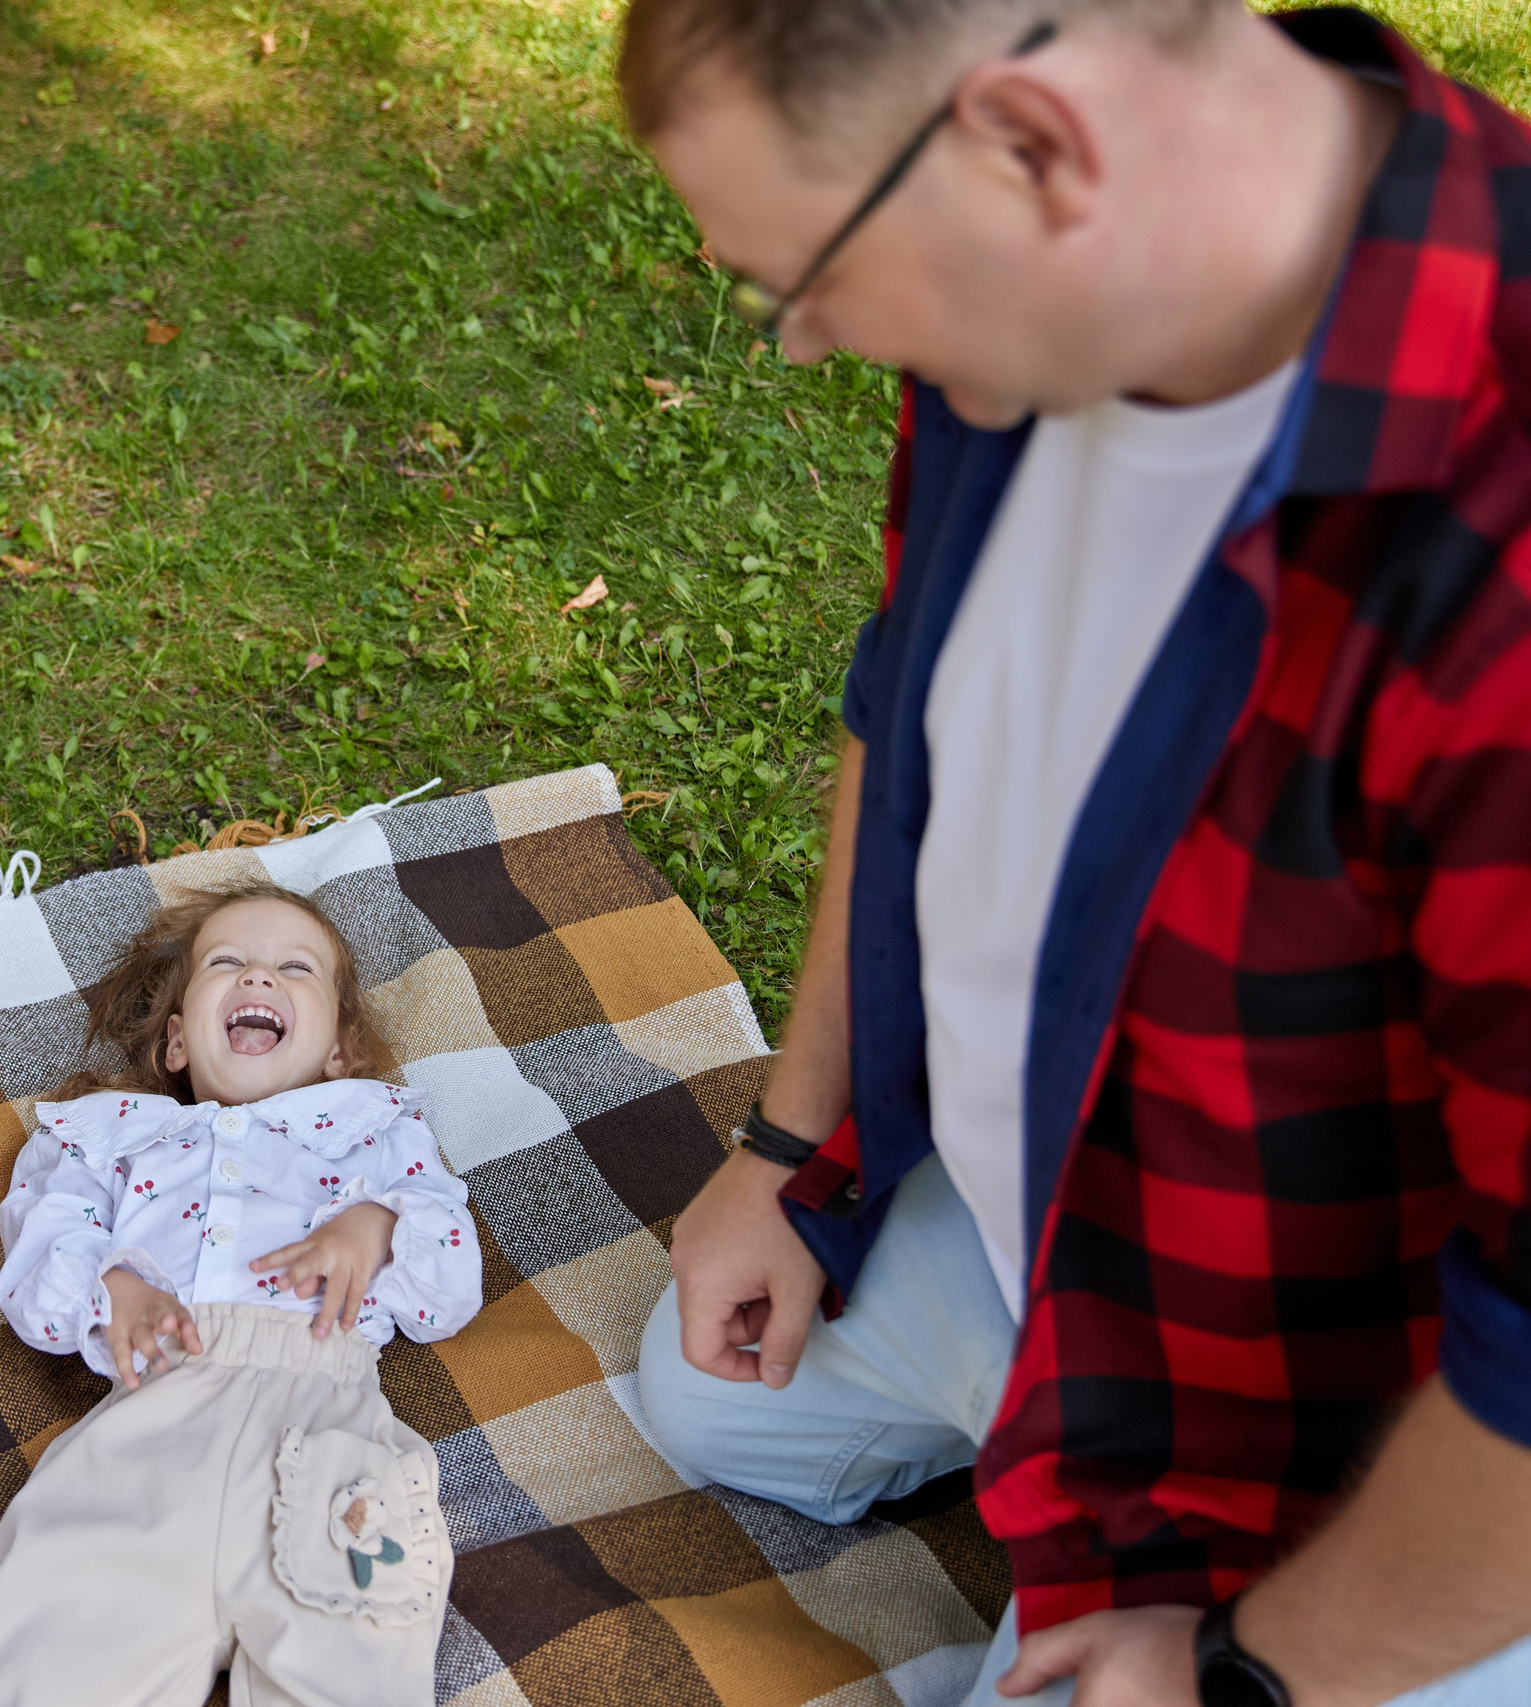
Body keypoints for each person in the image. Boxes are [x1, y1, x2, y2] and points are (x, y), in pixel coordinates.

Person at [616, 3, 1531, 1705]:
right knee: (694, 1383)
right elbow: (902, 711)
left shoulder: (1490, 553)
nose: (805, 339)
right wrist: (796, 1144)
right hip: (1077, 1244)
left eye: (801, 273)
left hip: (1349, 1457)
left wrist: (1251, 1670)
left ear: (1035, 142)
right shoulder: (1047, 314)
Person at [0, 881, 481, 1707]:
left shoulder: (376, 1132)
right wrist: (118, 1290)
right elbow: (45, 1255)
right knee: (54, 1660)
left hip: (324, 1436)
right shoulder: (117, 1135)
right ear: (179, 1041)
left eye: (294, 967)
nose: (259, 978)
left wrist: (377, 1225)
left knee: (348, 1670)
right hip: (153, 1422)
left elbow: (447, 1292)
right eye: (228, 963)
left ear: (339, 1050)